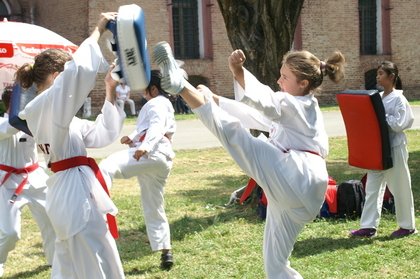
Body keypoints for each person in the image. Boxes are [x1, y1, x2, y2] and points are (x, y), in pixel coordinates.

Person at [152, 41, 345, 278]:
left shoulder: (294, 104)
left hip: (297, 176)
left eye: (284, 77)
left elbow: (264, 100)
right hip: (300, 197)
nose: (279, 80)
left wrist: (239, 72)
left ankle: (180, 85)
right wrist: (215, 99)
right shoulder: (300, 108)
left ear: (303, 84)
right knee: (275, 266)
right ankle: (183, 87)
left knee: (234, 135)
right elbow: (254, 115)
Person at [14, 12, 126, 278]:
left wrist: (110, 91)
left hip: (73, 190)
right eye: (63, 77)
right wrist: (98, 31)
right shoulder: (42, 107)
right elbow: (77, 72)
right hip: (73, 195)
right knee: (90, 257)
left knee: (78, 260)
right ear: (55, 76)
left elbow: (101, 135)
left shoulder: (60, 116)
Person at [99, 69, 176, 270]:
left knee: (106, 166)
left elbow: (156, 127)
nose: (141, 91)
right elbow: (149, 127)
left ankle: (99, 215)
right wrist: (132, 138)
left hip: (152, 153)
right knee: (153, 205)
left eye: (144, 87)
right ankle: (165, 250)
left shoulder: (156, 102)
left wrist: (144, 147)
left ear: (153, 88)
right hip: (161, 159)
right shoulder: (163, 104)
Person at [350, 61, 417, 238]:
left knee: (400, 186)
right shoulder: (377, 97)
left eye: (381, 73)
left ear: (391, 76)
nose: (378, 77)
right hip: (376, 149)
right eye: (377, 73)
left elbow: (400, 124)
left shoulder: (399, 99)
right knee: (372, 187)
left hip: (394, 148)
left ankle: (407, 226)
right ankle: (368, 226)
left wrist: (381, 117)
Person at [0, 87, 55, 277]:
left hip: (35, 178)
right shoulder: (2, 122)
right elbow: (10, 127)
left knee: (53, 221)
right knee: (10, 233)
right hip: (7, 184)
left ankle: (56, 261)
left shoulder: (33, 121)